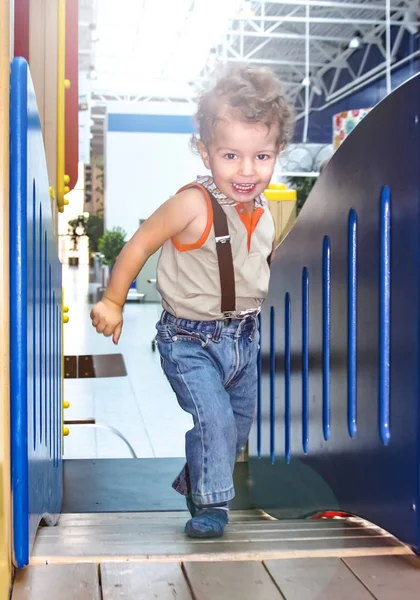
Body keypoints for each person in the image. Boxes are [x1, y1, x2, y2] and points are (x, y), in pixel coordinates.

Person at [90, 65, 294, 539]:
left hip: (245, 338)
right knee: (214, 419)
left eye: (261, 156)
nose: (247, 171)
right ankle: (211, 505)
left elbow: (264, 263)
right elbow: (140, 244)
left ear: (277, 153)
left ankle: (196, 476)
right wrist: (113, 301)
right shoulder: (192, 204)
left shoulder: (263, 211)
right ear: (205, 152)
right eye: (231, 155)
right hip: (189, 340)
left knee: (238, 428)